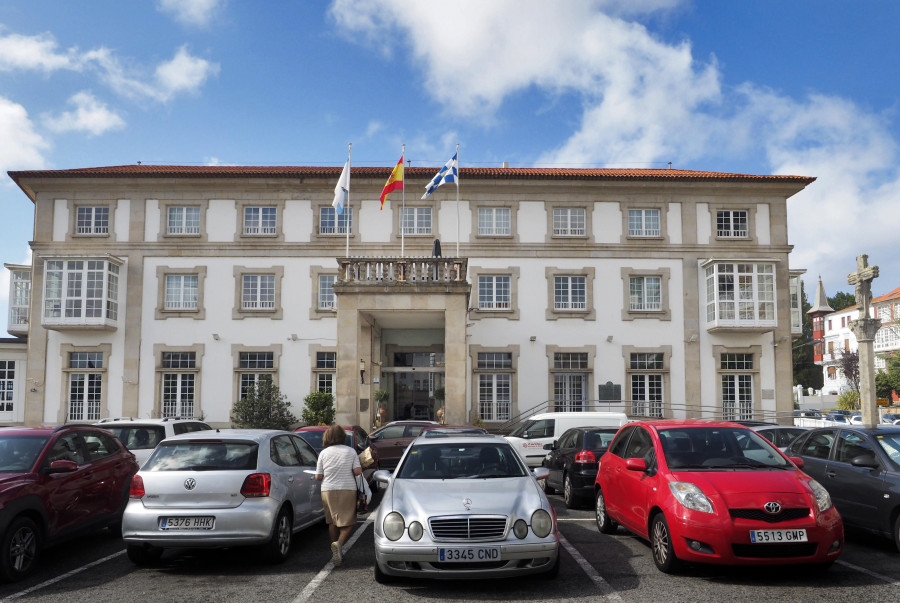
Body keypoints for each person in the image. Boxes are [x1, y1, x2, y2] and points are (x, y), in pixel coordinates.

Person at [315, 424, 362, 567]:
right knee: (349, 521)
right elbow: (357, 471)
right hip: (347, 488)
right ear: (342, 437)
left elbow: (318, 476)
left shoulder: (323, 453)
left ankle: (335, 550)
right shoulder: (350, 451)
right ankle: (339, 544)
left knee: (332, 522)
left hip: (327, 489)